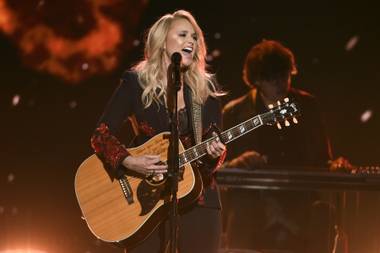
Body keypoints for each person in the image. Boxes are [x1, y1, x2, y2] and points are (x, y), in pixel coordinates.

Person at [90, 10, 226, 253]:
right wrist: (130, 162)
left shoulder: (206, 88)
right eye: (183, 35)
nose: (191, 42)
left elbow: (211, 148)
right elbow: (101, 135)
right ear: (163, 42)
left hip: (199, 199)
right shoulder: (135, 83)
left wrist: (214, 153)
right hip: (145, 200)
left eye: (194, 37)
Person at [222, 40, 335, 253]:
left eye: (285, 76)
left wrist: (336, 166)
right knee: (242, 208)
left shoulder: (307, 106)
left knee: (323, 213)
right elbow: (216, 169)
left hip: (299, 202)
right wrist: (236, 163)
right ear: (256, 80)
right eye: (272, 79)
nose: (281, 84)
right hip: (253, 205)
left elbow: (322, 159)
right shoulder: (234, 113)